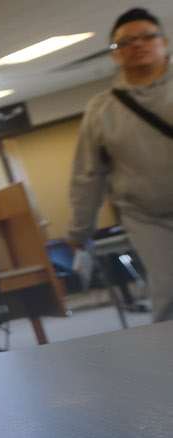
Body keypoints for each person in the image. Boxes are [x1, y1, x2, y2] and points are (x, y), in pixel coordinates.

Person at [69, 7, 173, 323]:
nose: (137, 45)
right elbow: (87, 174)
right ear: (115, 55)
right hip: (147, 217)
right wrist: (80, 230)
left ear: (165, 43)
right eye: (125, 42)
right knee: (168, 294)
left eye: (146, 37)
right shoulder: (102, 109)